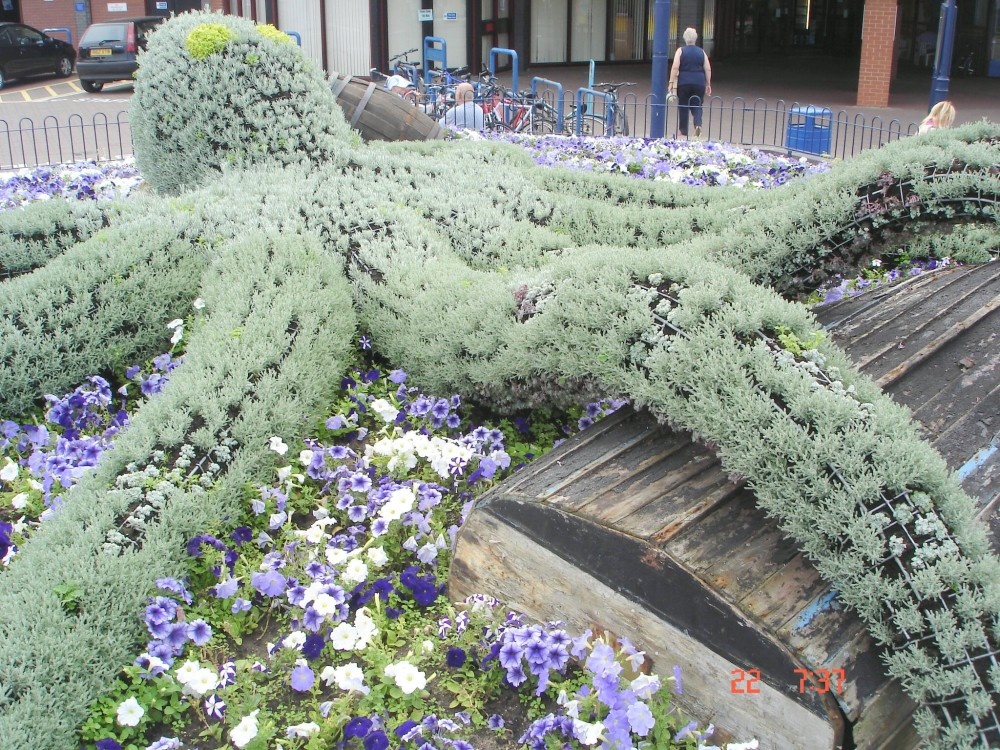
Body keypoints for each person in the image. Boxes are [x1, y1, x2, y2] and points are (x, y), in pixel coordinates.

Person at [668, 27, 712, 139]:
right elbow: (707, 68)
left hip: (684, 82)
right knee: (697, 105)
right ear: (695, 39)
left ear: (685, 39)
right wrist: (708, 83)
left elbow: (675, 67)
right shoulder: (701, 52)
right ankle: (698, 126)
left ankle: (683, 131)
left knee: (683, 105)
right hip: (699, 82)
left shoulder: (680, 51)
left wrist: (671, 82)